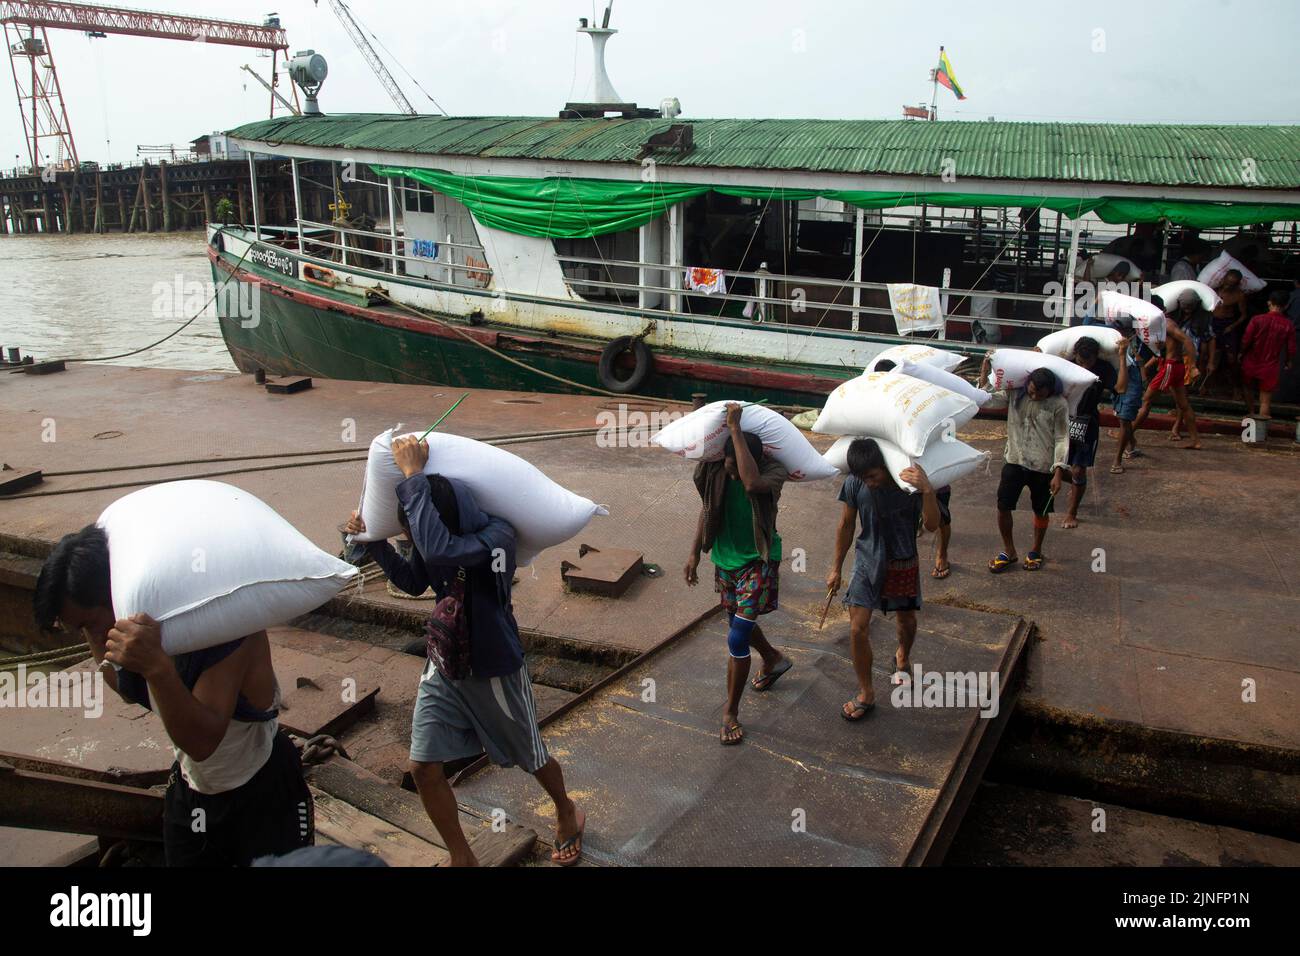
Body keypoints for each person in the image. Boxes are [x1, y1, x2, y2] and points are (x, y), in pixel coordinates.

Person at [344, 435, 585, 866]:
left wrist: (413, 477)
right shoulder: (432, 533)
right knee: (423, 767)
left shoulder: (497, 537)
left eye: (412, 526)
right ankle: (462, 857)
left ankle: (567, 809)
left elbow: (440, 548)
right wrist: (373, 541)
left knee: (530, 754)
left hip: (493, 666)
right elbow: (416, 580)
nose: (409, 534)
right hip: (444, 660)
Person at [33, 526, 313, 867]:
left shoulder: (224, 630)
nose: (92, 636)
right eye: (82, 630)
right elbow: (119, 684)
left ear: (119, 593)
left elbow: (202, 742)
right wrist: (97, 632)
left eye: (91, 623)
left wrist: (158, 669)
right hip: (193, 789)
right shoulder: (145, 634)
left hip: (261, 793)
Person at [684, 402, 793, 746]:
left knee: (736, 637)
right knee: (738, 625)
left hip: (758, 561)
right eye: (727, 464)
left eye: (734, 464)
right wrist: (693, 554)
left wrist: (734, 429)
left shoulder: (772, 474)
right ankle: (773, 657)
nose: (730, 472)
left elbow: (750, 482)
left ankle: (730, 711)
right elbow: (708, 508)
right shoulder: (717, 472)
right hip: (725, 560)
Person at [826, 439, 940, 721]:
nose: (869, 483)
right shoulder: (855, 483)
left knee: (906, 621)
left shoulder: (911, 483)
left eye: (873, 476)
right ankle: (866, 692)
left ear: (885, 467)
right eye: (864, 478)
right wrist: (836, 568)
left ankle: (902, 655)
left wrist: (927, 490)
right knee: (857, 628)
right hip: (867, 561)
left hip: (903, 561)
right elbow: (847, 524)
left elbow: (932, 525)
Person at [981, 359, 1070, 572]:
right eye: (1031, 392)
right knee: (1003, 507)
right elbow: (988, 400)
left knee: (1041, 511)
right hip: (1014, 461)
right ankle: (1009, 551)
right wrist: (984, 376)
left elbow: (1061, 437)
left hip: (1043, 467)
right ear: (1027, 384)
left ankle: (1036, 551)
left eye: (1039, 394)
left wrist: (1058, 470)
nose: (1034, 396)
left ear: (1050, 390)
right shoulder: (1015, 394)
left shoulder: (1059, 404)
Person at [874, 358, 955, 578]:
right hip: (899, 471)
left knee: (941, 518)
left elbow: (948, 432)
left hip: (929, 466)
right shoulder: (877, 402)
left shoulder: (921, 399)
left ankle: (942, 554)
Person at [1062, 336, 1125, 528]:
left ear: (1096, 357)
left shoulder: (1103, 368)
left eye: (1088, 363)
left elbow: (1121, 388)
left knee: (1079, 469)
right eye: (1081, 362)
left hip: (1087, 422)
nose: (1085, 367)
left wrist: (1122, 357)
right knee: (1053, 468)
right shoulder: (1067, 365)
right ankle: (1075, 484)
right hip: (1063, 420)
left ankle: (1072, 512)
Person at [1132, 297, 1202, 450]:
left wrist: (1193, 366)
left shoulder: (1168, 323)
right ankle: (1195, 440)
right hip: (1173, 366)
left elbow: (1187, 341)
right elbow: (1170, 345)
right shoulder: (1162, 324)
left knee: (1146, 400)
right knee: (1183, 405)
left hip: (1171, 366)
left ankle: (1128, 433)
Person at [1239, 290, 1297, 419]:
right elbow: (1291, 348)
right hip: (1271, 364)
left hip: (1251, 360)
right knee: (1265, 400)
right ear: (1286, 305)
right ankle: (1261, 430)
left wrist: (1241, 353)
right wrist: (1288, 361)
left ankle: (1251, 413)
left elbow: (1246, 339)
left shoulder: (1257, 320)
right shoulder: (1288, 325)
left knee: (1247, 387)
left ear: (1269, 303)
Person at [1168, 291, 1214, 440]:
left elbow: (1210, 339)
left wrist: (1209, 361)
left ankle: (1177, 427)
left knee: (1182, 396)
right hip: (1173, 358)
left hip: (1188, 359)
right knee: (1178, 396)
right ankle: (1184, 430)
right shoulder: (1174, 317)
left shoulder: (1204, 319)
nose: (1187, 308)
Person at [1204, 269, 1250, 397]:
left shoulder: (1239, 295)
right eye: (1227, 282)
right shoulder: (1215, 290)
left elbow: (1243, 315)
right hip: (1213, 322)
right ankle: (1207, 386)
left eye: (1232, 284)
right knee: (1211, 356)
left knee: (1231, 359)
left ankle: (1236, 387)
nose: (1228, 285)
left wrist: (1232, 326)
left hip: (1228, 324)